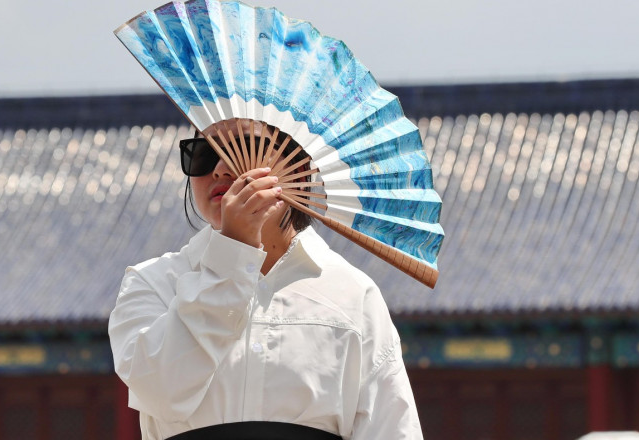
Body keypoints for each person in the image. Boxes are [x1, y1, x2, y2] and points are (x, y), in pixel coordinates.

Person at [108, 119, 423, 440]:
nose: (219, 169)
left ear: (298, 166)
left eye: (243, 148)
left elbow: (391, 430)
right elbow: (161, 390)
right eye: (202, 154)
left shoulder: (353, 295)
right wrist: (232, 253)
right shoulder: (152, 284)